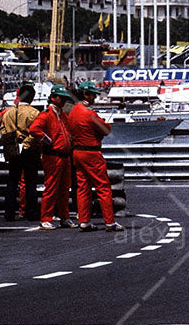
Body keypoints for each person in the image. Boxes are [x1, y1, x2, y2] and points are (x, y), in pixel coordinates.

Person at [66, 81, 122, 232]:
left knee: (82, 187)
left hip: (77, 152)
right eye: (93, 95)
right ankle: (110, 222)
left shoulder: (74, 111)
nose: (95, 98)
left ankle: (84, 220)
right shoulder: (89, 113)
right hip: (91, 152)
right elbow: (106, 129)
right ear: (86, 94)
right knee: (103, 187)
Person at [30, 85, 75, 230]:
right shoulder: (46, 114)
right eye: (61, 98)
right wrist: (46, 140)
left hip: (64, 156)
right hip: (53, 156)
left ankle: (64, 217)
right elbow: (34, 129)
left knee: (64, 189)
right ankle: (46, 218)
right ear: (53, 98)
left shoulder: (62, 115)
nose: (63, 101)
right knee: (51, 187)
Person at [0, 83, 41, 221]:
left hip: (13, 149)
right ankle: (31, 212)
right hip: (29, 150)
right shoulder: (34, 113)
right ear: (32, 98)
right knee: (30, 182)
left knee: (12, 181)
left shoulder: (8, 113)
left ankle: (9, 213)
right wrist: (26, 143)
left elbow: (3, 131)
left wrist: (12, 141)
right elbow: (36, 132)